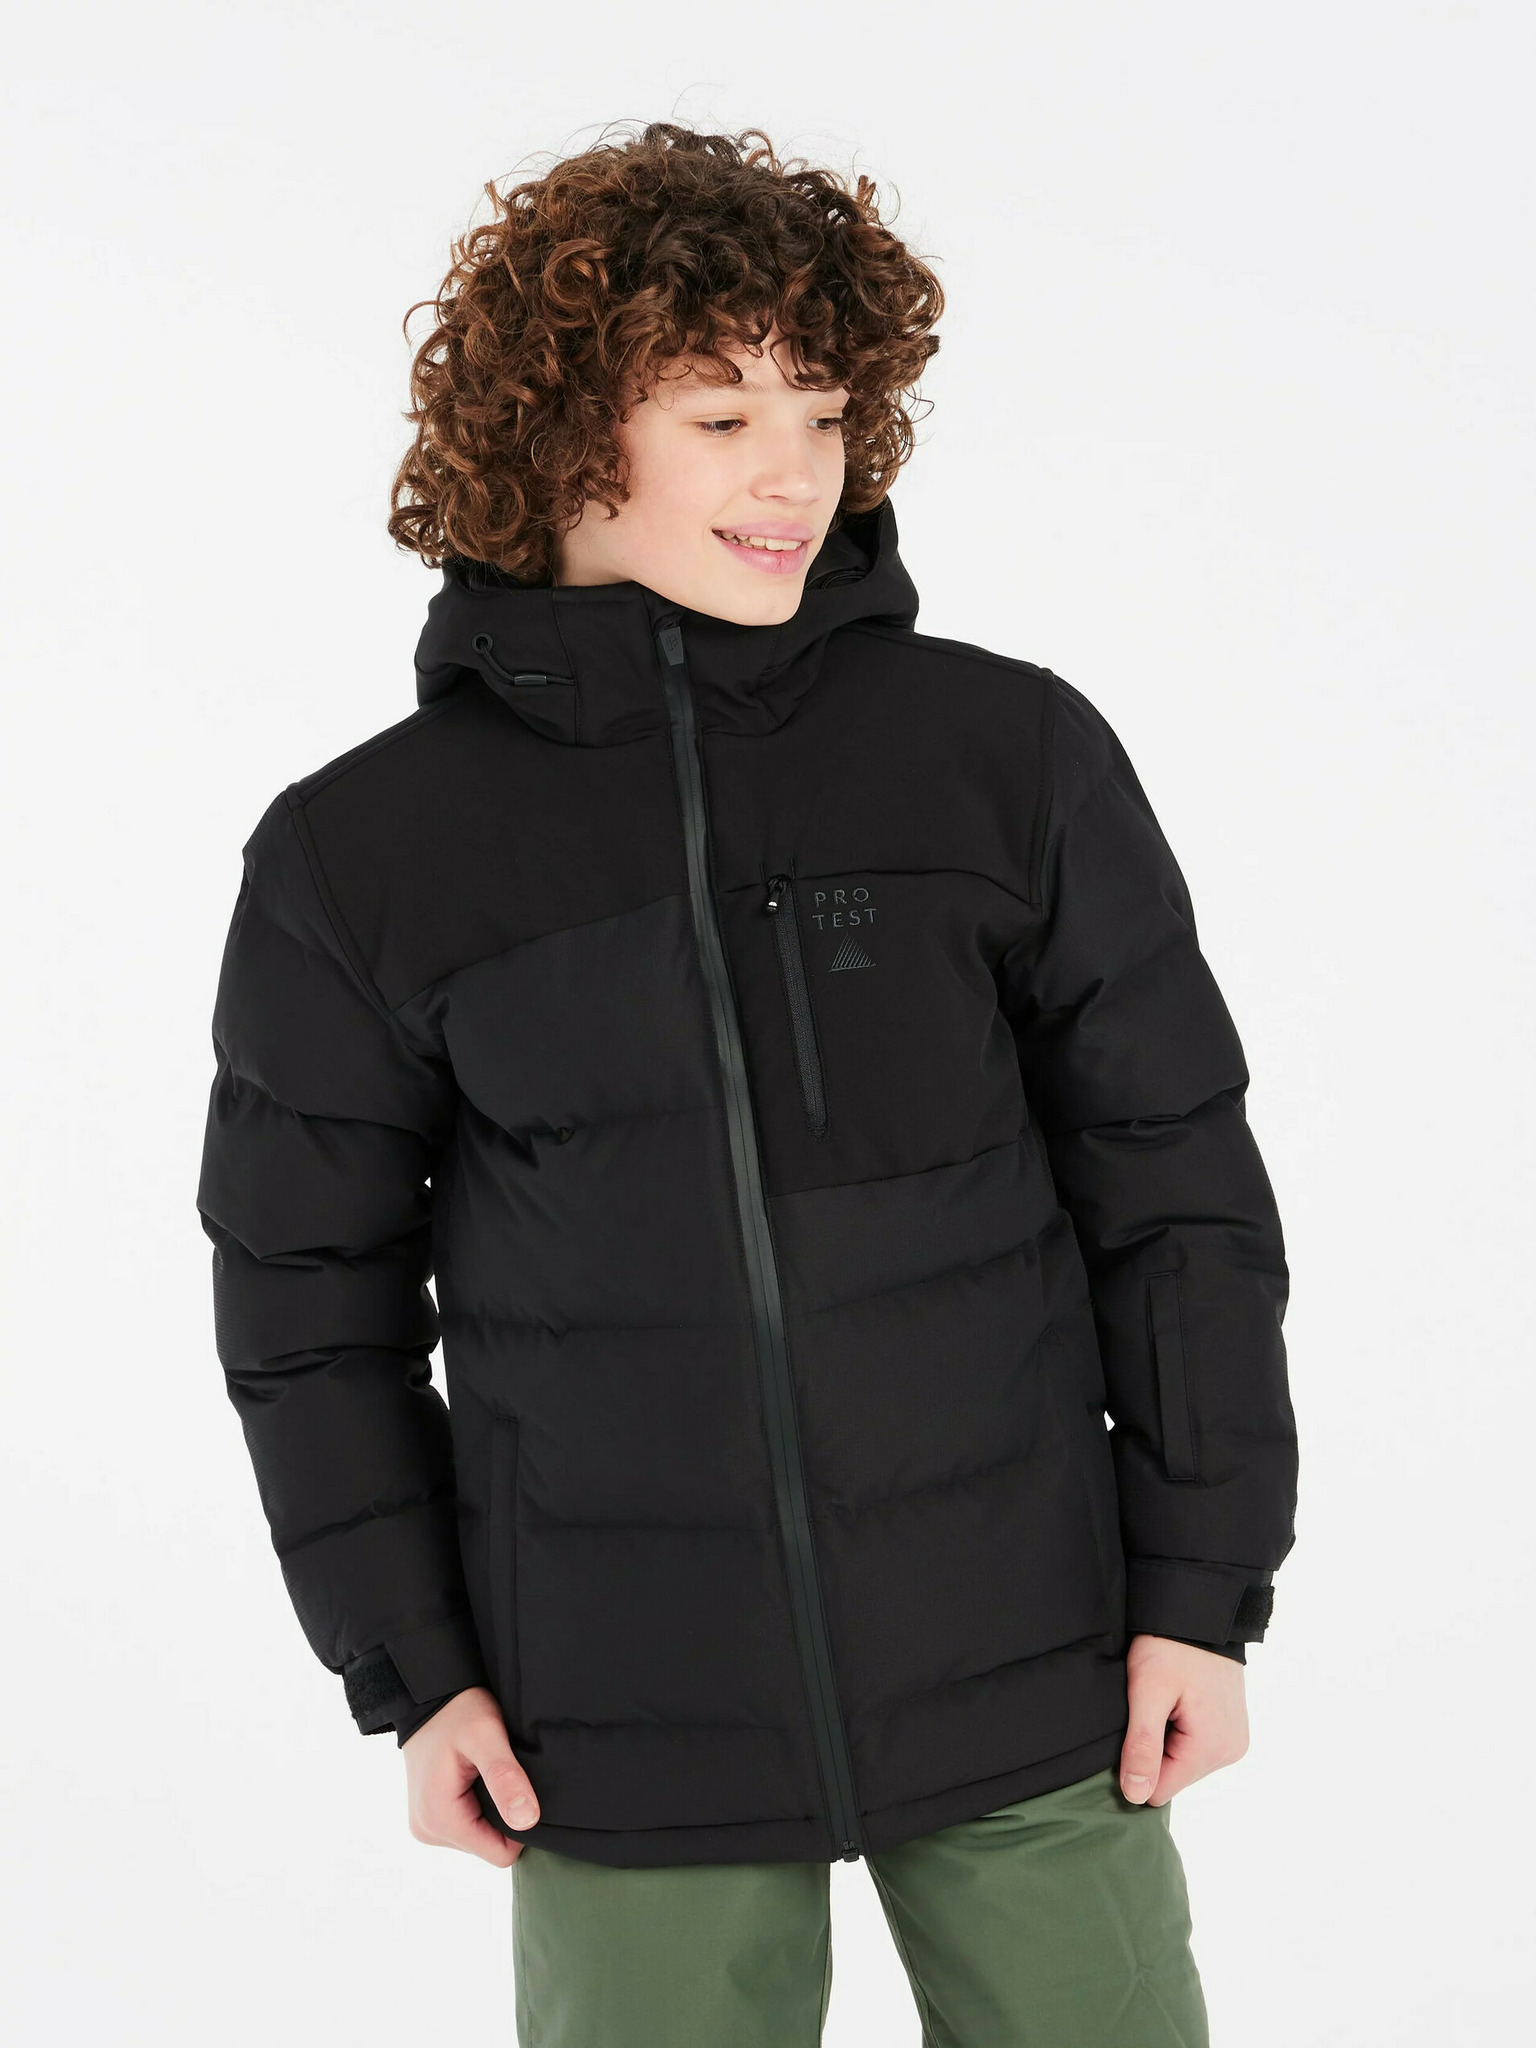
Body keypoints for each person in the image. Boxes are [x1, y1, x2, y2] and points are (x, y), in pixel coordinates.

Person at [196, 120, 1297, 2046]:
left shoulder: (1004, 757)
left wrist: (1203, 1585)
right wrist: (413, 1670)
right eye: (721, 418)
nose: (797, 474)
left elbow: (1176, 1193)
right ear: (558, 435)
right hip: (618, 1713)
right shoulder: (362, 857)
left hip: (1033, 1662)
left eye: (827, 412)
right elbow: (307, 1305)